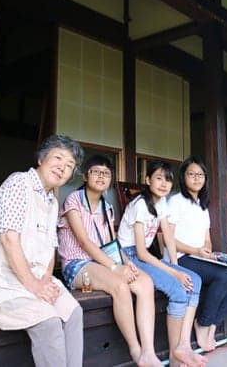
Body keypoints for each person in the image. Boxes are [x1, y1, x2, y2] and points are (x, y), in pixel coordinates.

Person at [0, 134, 85, 367]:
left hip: (36, 280)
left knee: (74, 313)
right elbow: (9, 239)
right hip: (7, 281)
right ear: (41, 159)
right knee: (49, 322)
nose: (62, 167)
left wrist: (45, 281)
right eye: (58, 158)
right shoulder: (18, 183)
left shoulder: (52, 201)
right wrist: (34, 285)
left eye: (69, 165)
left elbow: (51, 247)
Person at [58, 155, 161, 367]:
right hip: (78, 266)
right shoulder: (74, 200)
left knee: (145, 282)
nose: (101, 176)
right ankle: (136, 351)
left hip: (103, 264)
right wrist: (115, 268)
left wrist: (126, 262)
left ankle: (149, 352)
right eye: (96, 171)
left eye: (106, 173)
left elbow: (111, 244)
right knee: (120, 285)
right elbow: (84, 242)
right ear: (85, 176)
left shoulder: (107, 206)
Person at [117, 160, 207, 367]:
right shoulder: (140, 204)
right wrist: (174, 274)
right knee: (177, 290)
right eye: (158, 178)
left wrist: (177, 267)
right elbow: (141, 252)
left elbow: (168, 237)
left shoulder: (162, 202)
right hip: (129, 257)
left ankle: (183, 345)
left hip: (144, 256)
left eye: (168, 180)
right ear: (148, 180)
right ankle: (176, 354)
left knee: (195, 280)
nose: (164, 184)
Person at [168, 157, 227, 352]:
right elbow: (168, 240)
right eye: (191, 174)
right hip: (181, 257)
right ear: (183, 177)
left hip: (198, 256)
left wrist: (209, 253)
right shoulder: (176, 201)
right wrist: (196, 251)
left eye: (200, 175)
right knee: (224, 276)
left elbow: (207, 239)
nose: (196, 178)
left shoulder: (203, 206)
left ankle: (213, 325)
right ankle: (202, 323)